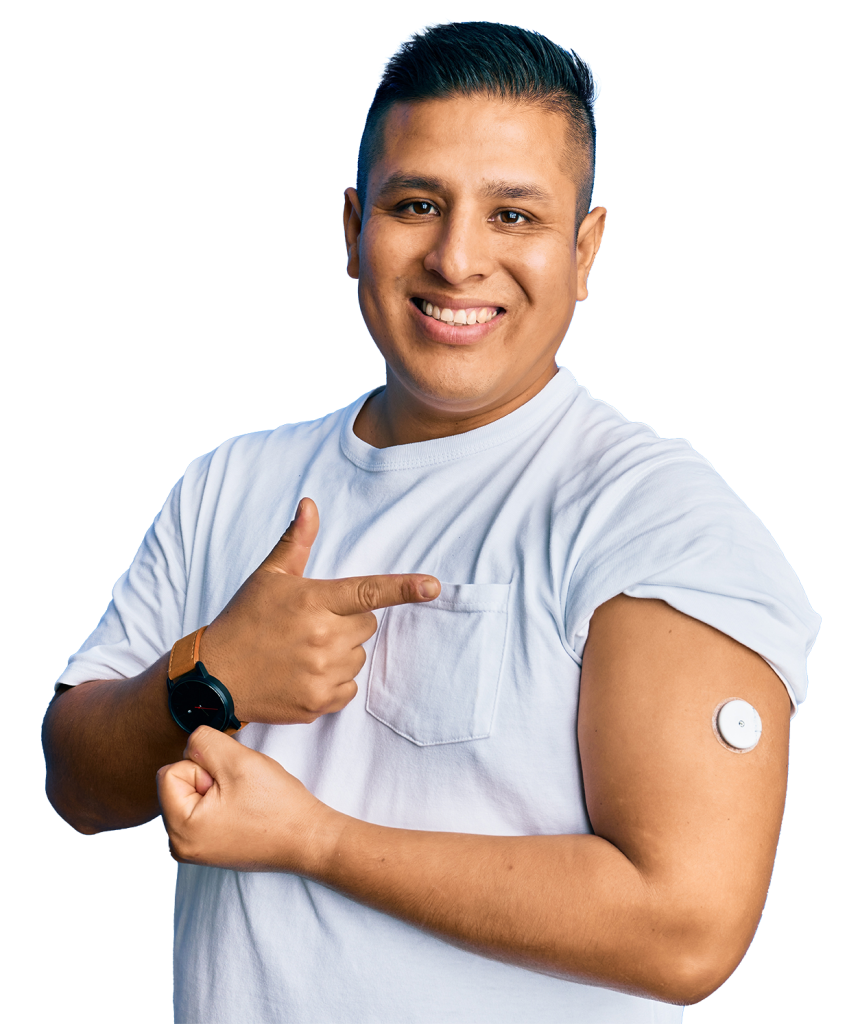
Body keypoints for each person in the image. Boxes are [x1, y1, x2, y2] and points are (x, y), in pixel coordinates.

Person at [42, 21, 820, 1024]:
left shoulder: (649, 519)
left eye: (512, 216)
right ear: (351, 229)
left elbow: (683, 926)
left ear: (582, 252)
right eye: (418, 206)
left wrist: (312, 838)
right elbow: (78, 784)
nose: (458, 259)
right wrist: (205, 676)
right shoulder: (230, 483)